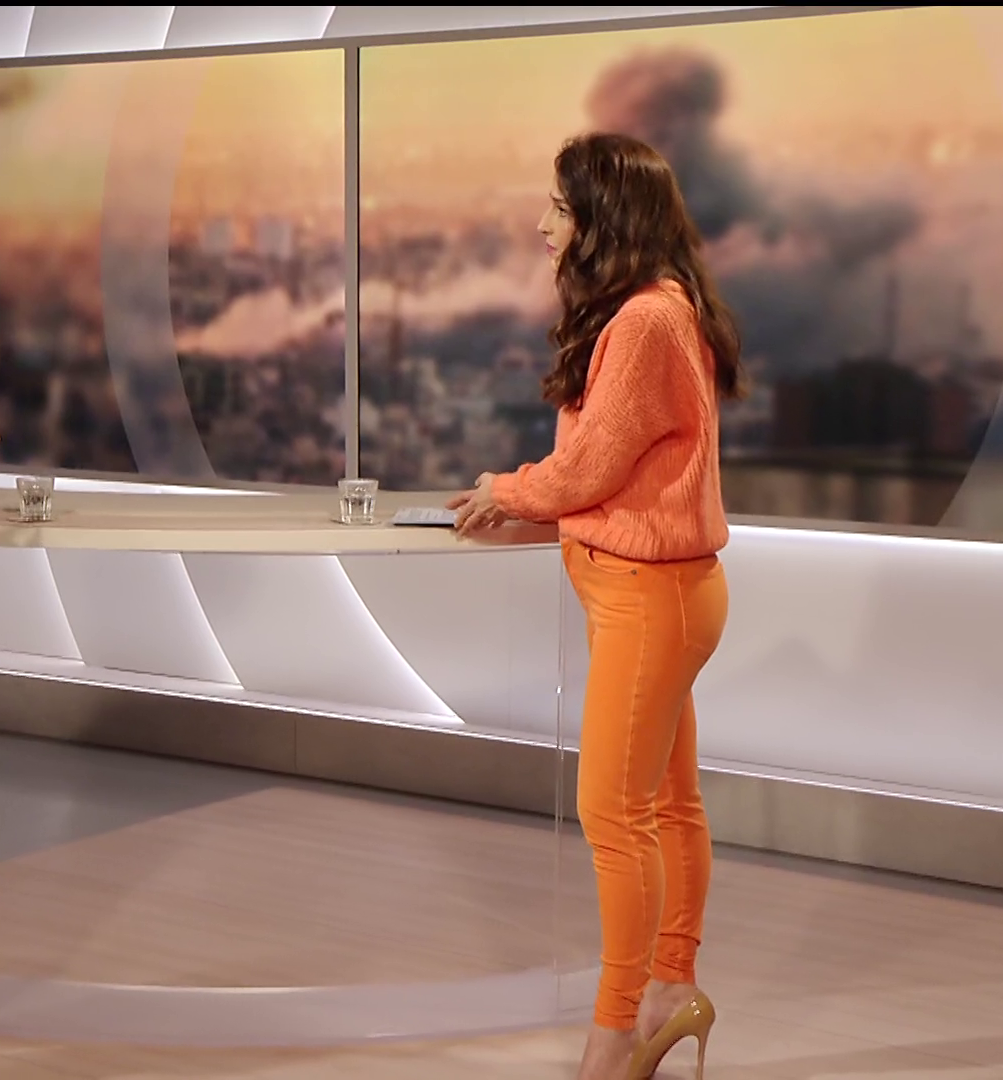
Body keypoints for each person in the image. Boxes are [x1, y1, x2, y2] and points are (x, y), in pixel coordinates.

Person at [448, 132, 744, 1080]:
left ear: (604, 219)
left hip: (649, 600)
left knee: (614, 814)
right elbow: (613, 471)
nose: (543, 224)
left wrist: (506, 489)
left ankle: (616, 1038)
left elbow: (588, 467)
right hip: (669, 593)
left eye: (561, 208)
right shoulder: (662, 305)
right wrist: (531, 503)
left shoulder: (647, 320)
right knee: (667, 804)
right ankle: (670, 990)